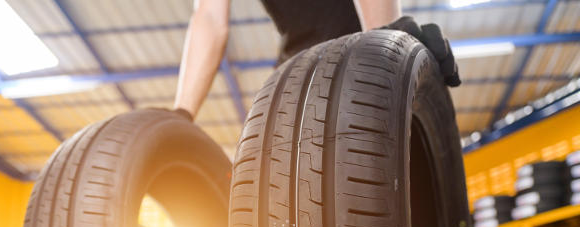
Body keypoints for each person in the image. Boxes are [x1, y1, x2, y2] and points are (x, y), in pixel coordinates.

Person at [173, 0, 460, 120]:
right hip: (296, 67)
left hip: (355, 50)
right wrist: (183, 113)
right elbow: (210, 18)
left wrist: (388, 48)